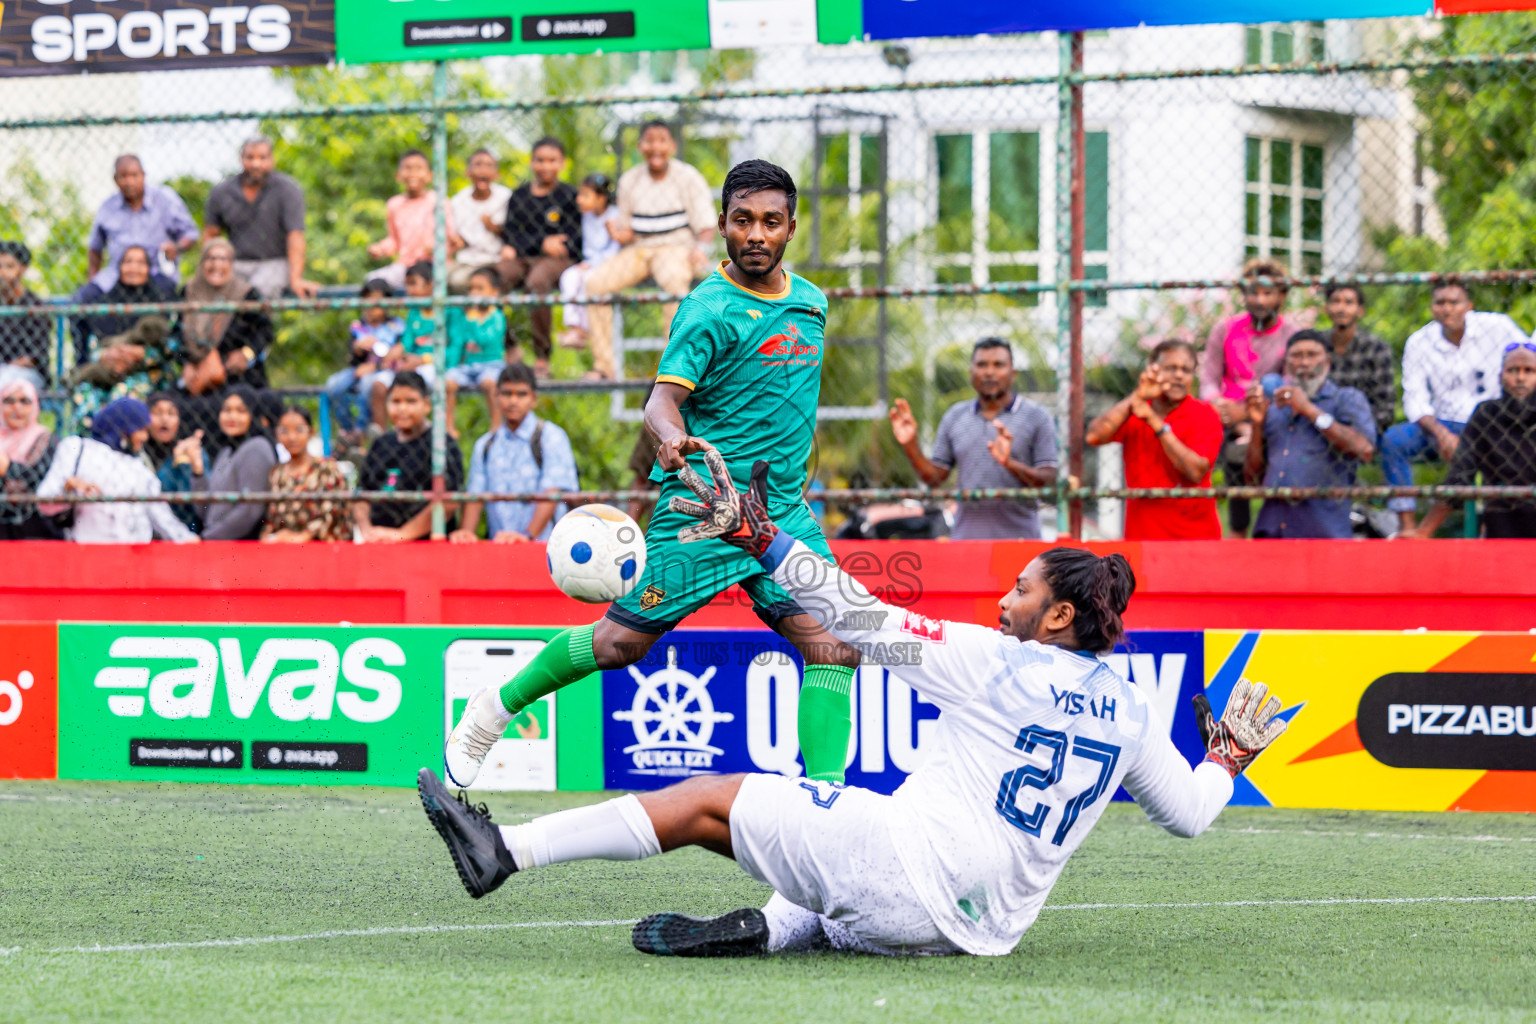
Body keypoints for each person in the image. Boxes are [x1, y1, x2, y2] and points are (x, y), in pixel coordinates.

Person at [418, 486, 1288, 958]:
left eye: (1021, 589)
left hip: (908, 875)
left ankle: (507, 853)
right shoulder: (1131, 705)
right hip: (978, 931)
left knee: (711, 801)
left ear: (1058, 616)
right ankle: (774, 926)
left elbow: (856, 612)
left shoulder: (993, 661)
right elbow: (1192, 813)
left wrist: (761, 538)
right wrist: (1228, 754)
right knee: (831, 826)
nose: (1004, 597)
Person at [442, 160, 859, 793]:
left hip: (782, 515)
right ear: (720, 224)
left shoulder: (812, 303)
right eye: (742, 220)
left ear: (791, 228)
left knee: (834, 647)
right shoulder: (707, 309)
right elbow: (660, 399)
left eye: (770, 222)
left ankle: (825, 802)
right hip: (706, 515)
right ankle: (492, 708)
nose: (755, 234)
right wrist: (670, 439)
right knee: (617, 646)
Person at [1382, 282, 1528, 533]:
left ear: (1469, 306)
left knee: (1512, 453)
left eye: (1454, 302)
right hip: (1442, 425)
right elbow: (1414, 399)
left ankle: (1492, 526)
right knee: (1394, 440)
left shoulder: (1497, 327)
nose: (1447, 309)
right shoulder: (1419, 342)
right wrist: (1441, 433)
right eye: (1440, 303)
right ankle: (1406, 527)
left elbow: (1526, 355)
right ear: (1432, 307)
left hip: (1493, 423)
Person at [584, 122, 717, 381]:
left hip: (675, 246)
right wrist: (617, 233)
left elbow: (707, 224)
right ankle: (604, 366)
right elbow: (628, 231)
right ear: (640, 146)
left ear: (672, 146)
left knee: (675, 283)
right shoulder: (630, 180)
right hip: (640, 248)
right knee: (595, 284)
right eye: (649, 141)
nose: (656, 147)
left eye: (662, 140)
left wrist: (701, 249)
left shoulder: (687, 176)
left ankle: (675, 367)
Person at [889, 338, 1058, 539]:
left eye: (998, 365)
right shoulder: (955, 416)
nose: (989, 372)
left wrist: (1010, 463)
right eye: (981, 365)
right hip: (965, 542)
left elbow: (1048, 481)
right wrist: (911, 446)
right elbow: (934, 478)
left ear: (1013, 374)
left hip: (1021, 541)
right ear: (971, 372)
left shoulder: (1036, 416)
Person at [1243, 331, 1377, 539]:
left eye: (1312, 354)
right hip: (1272, 529)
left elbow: (1364, 449)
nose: (1304, 362)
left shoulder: (1345, 399)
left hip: (1325, 530)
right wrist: (1257, 425)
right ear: (1286, 364)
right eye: (1296, 355)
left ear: (1328, 362)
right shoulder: (1275, 408)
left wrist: (1308, 409)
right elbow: (1252, 479)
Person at [1085, 339, 1223, 539]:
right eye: (1170, 368)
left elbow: (1194, 471)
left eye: (1185, 370)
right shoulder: (1134, 409)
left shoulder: (1204, 414)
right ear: (1153, 370)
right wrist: (1137, 396)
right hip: (1143, 537)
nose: (1178, 375)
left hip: (1196, 537)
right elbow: (1094, 436)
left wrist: (1153, 420)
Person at [1200, 258, 1299, 535]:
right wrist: (1217, 403)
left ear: (1281, 295)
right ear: (1244, 295)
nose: (1259, 300)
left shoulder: (1292, 334)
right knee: (1221, 447)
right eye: (1253, 292)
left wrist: (1247, 414)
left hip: (1270, 413)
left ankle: (1264, 527)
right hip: (1226, 413)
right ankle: (1227, 528)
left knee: (1270, 384)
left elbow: (1289, 385)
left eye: (1267, 293)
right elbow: (1208, 377)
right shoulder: (1225, 328)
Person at [1407, 342, 1536, 539]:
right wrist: (1424, 531)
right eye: (1513, 370)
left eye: (1529, 371)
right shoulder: (1486, 415)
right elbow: (1461, 474)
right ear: (1501, 376)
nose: (1520, 378)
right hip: (1501, 522)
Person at [35, 397, 198, 544]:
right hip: (87, 550)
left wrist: (186, 539)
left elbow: (160, 515)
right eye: (140, 429)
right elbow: (44, 499)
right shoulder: (77, 448)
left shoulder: (139, 468)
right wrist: (69, 488)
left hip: (131, 556)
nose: (145, 437)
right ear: (124, 427)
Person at [452, 363, 577, 544]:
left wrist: (526, 537)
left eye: (521, 394)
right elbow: (475, 496)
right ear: (496, 396)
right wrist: (466, 533)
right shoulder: (486, 444)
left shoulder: (551, 437)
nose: (513, 401)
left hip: (544, 547)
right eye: (507, 393)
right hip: (501, 548)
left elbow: (551, 494)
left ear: (534, 399)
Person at [495, 137, 580, 376]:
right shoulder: (520, 196)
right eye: (540, 160)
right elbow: (511, 235)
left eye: (552, 160)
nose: (546, 166)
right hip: (523, 257)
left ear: (562, 163)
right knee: (492, 279)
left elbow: (574, 240)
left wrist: (533, 245)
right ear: (532, 162)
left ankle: (542, 356)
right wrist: (543, 242)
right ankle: (509, 347)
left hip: (558, 261)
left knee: (537, 282)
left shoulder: (569, 196)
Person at [68, 246, 180, 425]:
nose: (133, 268)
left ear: (148, 269)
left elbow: (172, 348)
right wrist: (110, 356)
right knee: (85, 393)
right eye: (128, 262)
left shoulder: (161, 305)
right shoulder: (104, 303)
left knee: (122, 394)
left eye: (140, 263)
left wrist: (141, 355)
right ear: (119, 268)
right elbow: (93, 346)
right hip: (106, 371)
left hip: (148, 372)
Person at [201, 136, 317, 300]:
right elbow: (210, 235)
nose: (256, 164)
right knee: (218, 295)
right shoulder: (222, 192)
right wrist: (208, 271)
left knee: (258, 294)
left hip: (273, 262)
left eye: (262, 158)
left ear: (272, 160)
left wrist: (295, 279)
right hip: (235, 262)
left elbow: (296, 236)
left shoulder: (287, 190)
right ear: (241, 159)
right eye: (250, 157)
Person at [354, 370, 464, 542]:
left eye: (411, 401)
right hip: (379, 543)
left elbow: (449, 502)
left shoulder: (441, 443)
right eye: (396, 401)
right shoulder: (380, 444)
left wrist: (402, 535)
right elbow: (360, 496)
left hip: (425, 545)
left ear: (427, 405)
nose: (402, 408)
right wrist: (367, 531)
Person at [78, 155, 197, 305]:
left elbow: (190, 234)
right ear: (115, 179)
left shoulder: (165, 199)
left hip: (156, 272)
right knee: (83, 300)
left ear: (143, 175)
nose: (129, 182)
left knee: (167, 296)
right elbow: (95, 247)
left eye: (134, 175)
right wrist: (93, 279)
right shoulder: (107, 207)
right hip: (118, 274)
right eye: (123, 176)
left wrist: (177, 247)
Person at [180, 240, 273, 390]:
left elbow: (265, 331)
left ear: (232, 264)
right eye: (211, 258)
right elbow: (175, 337)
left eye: (223, 259)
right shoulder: (189, 292)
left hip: (238, 375)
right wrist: (185, 364)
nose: (217, 265)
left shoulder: (246, 293)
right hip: (196, 376)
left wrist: (246, 354)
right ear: (202, 262)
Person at [190, 385, 278, 540]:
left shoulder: (256, 448)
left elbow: (250, 511)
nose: (232, 417)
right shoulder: (226, 452)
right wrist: (197, 472)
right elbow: (207, 512)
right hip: (217, 542)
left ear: (253, 415)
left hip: (241, 547)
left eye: (241, 411)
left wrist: (206, 538)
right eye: (227, 410)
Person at [324, 279, 404, 443]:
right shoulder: (358, 327)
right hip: (360, 369)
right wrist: (357, 348)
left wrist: (376, 365)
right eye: (367, 300)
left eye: (376, 301)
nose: (371, 306)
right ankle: (347, 430)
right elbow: (353, 359)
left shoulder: (395, 327)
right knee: (334, 385)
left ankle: (362, 431)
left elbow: (396, 358)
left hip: (384, 370)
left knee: (367, 384)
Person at [367, 150, 459, 292]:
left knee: (423, 282)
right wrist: (380, 249)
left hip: (435, 266)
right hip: (405, 266)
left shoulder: (439, 201)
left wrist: (437, 248)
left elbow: (453, 239)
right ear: (398, 175)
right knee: (371, 281)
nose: (413, 173)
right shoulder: (394, 204)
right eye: (408, 168)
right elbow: (394, 241)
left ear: (429, 176)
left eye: (419, 168)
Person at [368, 262, 446, 429]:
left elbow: (454, 350)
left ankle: (420, 433)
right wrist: (397, 352)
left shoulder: (450, 312)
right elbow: (407, 343)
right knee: (379, 384)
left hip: (433, 365)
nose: (409, 291)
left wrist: (424, 360)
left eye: (413, 284)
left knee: (413, 388)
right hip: (410, 365)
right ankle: (381, 437)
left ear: (431, 285)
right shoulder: (414, 313)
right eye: (407, 285)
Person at [262, 406, 352, 543]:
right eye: (284, 431)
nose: (292, 437)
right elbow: (271, 516)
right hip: (284, 544)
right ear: (276, 434)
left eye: (299, 430)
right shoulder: (277, 473)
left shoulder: (326, 469)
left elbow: (333, 512)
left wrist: (303, 536)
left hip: (322, 544)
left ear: (311, 432)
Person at [558, 173, 622, 350]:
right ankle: (575, 327)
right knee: (569, 277)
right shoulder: (587, 217)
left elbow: (614, 249)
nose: (579, 200)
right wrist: (588, 262)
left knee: (588, 281)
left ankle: (587, 330)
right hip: (590, 261)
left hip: (609, 263)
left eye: (585, 195)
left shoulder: (614, 216)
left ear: (601, 198)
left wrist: (594, 263)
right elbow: (588, 247)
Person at [1320, 285, 1395, 434]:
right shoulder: (1317, 346)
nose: (1341, 308)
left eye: (1348, 303)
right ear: (1326, 308)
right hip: (1320, 425)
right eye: (1335, 301)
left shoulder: (1376, 348)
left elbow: (1385, 408)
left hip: (1361, 428)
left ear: (1360, 310)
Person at [444, 267, 509, 426]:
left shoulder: (496, 316)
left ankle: (496, 426)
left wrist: (473, 321)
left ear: (494, 292)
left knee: (489, 384)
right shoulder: (466, 316)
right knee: (449, 382)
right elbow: (460, 339)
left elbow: (484, 339)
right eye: (471, 289)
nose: (474, 293)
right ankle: (448, 427)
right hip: (468, 366)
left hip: (491, 364)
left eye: (480, 288)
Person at [0, 379, 59, 539]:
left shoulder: (44, 437)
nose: (16, 407)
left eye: (24, 401)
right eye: (9, 401)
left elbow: (37, 475)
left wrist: (7, 467)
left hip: (32, 524)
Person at [448, 149, 512, 294]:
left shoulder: (506, 197)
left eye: (489, 166)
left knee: (458, 281)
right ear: (468, 172)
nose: (483, 170)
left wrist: (493, 227)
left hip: (494, 259)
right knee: (439, 277)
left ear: (497, 174)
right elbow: (458, 235)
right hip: (466, 258)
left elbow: (515, 232)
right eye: (478, 165)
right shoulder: (458, 201)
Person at [143, 391, 202, 535]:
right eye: (157, 413)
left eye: (171, 413)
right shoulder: (138, 454)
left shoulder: (191, 451)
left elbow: (196, 506)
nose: (165, 419)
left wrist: (183, 463)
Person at [0, 241, 53, 392]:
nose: (2, 273)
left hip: (29, 373)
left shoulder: (35, 306)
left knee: (4, 382)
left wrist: (8, 368)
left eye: (9, 266)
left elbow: (35, 357)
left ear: (22, 269)